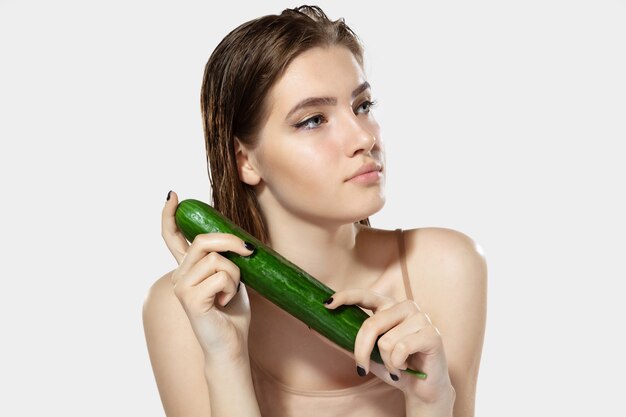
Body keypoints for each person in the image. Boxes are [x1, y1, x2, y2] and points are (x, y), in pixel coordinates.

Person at [143, 5, 487, 417]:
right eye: (313, 120)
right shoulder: (183, 307)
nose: (364, 137)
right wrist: (226, 358)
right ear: (245, 161)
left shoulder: (444, 268)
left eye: (362, 106)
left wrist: (432, 402)